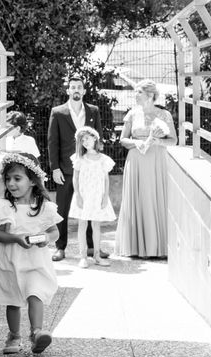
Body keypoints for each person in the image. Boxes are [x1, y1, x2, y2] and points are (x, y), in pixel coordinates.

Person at [0, 152, 62, 355]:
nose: (11, 183)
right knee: (13, 299)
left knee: (35, 293)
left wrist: (45, 238)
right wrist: (16, 238)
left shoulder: (42, 207)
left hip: (35, 260)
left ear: (33, 181)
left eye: (17, 179)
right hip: (10, 260)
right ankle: (14, 335)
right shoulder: (4, 206)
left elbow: (55, 232)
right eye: (8, 179)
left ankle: (37, 333)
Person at [47, 74, 109, 262]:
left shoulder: (93, 111)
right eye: (72, 87)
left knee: (90, 207)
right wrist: (55, 168)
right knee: (62, 210)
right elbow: (52, 142)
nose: (76, 90)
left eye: (79, 87)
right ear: (68, 90)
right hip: (66, 169)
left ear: (83, 90)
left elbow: (97, 139)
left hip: (89, 170)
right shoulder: (58, 112)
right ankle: (60, 247)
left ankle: (91, 247)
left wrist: (99, 163)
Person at [115, 79, 177, 259]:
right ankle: (136, 247)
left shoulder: (164, 115)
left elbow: (173, 140)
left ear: (150, 95)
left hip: (156, 160)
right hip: (135, 160)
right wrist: (138, 142)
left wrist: (156, 141)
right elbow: (122, 140)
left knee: (154, 199)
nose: (135, 95)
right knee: (137, 199)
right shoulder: (132, 114)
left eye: (138, 92)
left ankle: (158, 247)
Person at [69, 126, 116, 268]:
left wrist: (105, 197)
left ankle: (97, 255)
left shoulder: (103, 159)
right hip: (83, 195)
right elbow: (75, 178)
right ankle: (83, 256)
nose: (85, 142)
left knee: (96, 225)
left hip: (97, 196)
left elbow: (106, 180)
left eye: (87, 139)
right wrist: (77, 195)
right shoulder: (79, 159)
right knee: (82, 225)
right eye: (82, 140)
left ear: (95, 138)